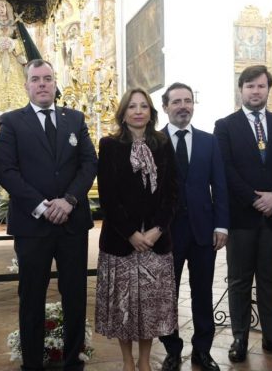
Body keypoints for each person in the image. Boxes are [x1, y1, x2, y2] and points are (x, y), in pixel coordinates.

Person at [0, 59, 97, 370]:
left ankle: (73, 362)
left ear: (55, 84)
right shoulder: (12, 121)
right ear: (26, 85)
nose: (42, 84)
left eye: (48, 78)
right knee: (31, 298)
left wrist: (68, 201)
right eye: (36, 79)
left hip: (71, 223)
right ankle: (32, 363)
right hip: (32, 225)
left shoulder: (75, 119)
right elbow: (7, 171)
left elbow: (89, 164)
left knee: (75, 296)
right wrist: (42, 206)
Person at [213, 65, 272, 363]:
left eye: (261, 86)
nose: (255, 91)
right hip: (241, 216)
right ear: (241, 89)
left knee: (270, 280)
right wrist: (252, 198)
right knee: (238, 279)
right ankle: (239, 337)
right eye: (250, 86)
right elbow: (224, 168)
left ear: (268, 89)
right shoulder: (225, 125)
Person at [95, 89, 178, 371]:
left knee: (150, 307)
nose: (139, 111)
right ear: (123, 112)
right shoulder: (109, 145)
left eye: (144, 106)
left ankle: (145, 361)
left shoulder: (163, 144)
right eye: (132, 106)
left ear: (152, 112)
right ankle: (127, 361)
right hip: (121, 241)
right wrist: (131, 233)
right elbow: (108, 197)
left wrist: (156, 230)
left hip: (156, 240)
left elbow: (171, 193)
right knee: (124, 307)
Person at [158, 82, 229, 371]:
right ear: (165, 107)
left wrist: (222, 226)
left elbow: (220, 185)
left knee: (202, 293)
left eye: (188, 101)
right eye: (176, 101)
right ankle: (172, 350)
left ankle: (202, 350)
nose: (183, 106)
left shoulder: (209, 141)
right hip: (166, 233)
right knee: (167, 294)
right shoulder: (154, 141)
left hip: (203, 231)